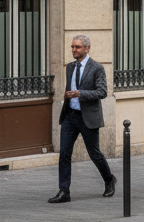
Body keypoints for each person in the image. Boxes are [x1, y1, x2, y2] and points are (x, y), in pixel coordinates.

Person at [48, 34, 116, 203]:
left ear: (87, 48)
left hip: (88, 117)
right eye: (72, 47)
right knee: (64, 153)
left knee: (94, 153)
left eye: (77, 47)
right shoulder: (70, 67)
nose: (74, 50)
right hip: (70, 115)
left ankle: (109, 180)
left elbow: (102, 92)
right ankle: (64, 191)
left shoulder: (97, 68)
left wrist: (80, 93)